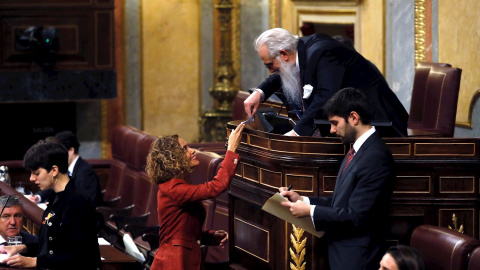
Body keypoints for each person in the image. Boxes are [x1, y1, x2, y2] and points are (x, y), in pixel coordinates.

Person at [279, 88, 396, 270]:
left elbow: (356, 216)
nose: (332, 130)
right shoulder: (356, 150)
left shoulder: (375, 156)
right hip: (342, 253)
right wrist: (303, 200)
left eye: (335, 123)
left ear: (354, 118)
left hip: (358, 259)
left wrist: (310, 210)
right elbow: (340, 203)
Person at [244, 28, 409, 137]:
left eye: (269, 65)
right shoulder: (298, 48)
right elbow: (282, 72)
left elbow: (326, 97)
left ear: (284, 54)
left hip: (380, 124)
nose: (271, 70)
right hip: (355, 122)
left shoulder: (323, 53)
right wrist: (260, 93)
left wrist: (297, 132)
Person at [146, 123, 245, 270]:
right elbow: (216, 187)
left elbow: (181, 230)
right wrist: (231, 151)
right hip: (175, 263)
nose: (192, 151)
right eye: (185, 149)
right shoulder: (173, 189)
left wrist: (209, 236)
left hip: (183, 260)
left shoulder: (174, 186)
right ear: (172, 159)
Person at [1, 137, 101, 269]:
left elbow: (81, 256)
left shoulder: (78, 201)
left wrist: (34, 262)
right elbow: (54, 244)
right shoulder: (55, 196)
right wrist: (23, 248)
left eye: (36, 173)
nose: (31, 178)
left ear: (54, 170)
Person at [28, 130, 103, 207]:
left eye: (59, 153)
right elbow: (53, 185)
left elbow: (86, 203)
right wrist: (38, 197)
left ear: (71, 151)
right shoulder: (63, 167)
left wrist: (58, 204)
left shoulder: (86, 172)